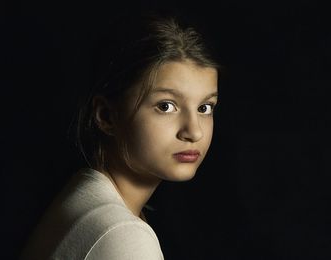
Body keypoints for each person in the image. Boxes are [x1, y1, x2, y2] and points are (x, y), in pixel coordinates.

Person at [19, 10, 220, 260]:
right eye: (166, 106)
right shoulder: (123, 235)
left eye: (205, 108)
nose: (194, 131)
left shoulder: (86, 189)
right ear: (106, 116)